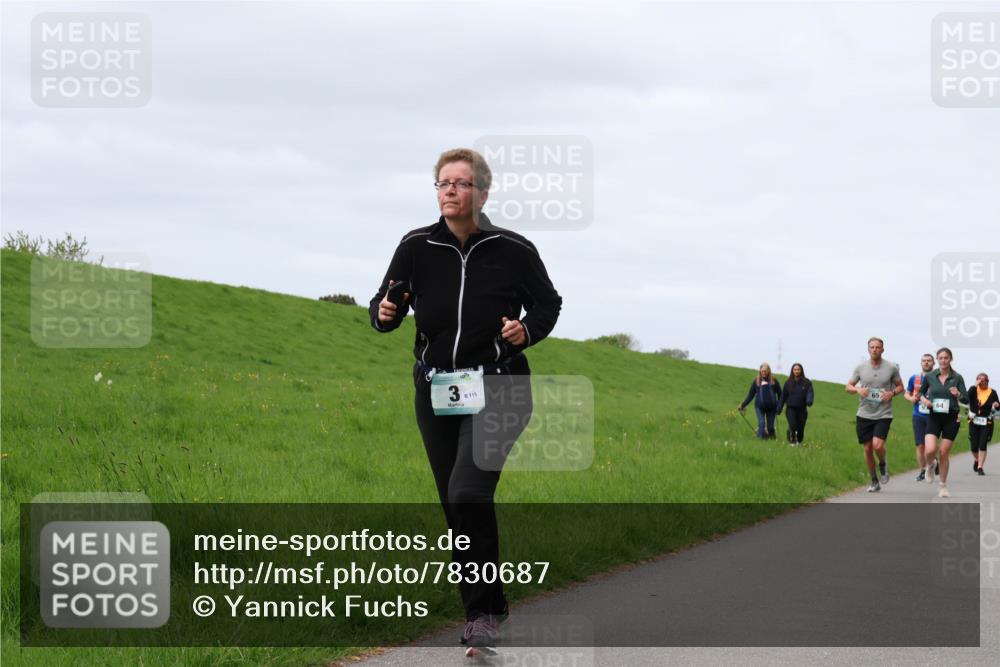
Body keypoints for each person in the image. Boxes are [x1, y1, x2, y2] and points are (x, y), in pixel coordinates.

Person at [368, 148, 562, 653]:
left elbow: (548, 303)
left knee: (468, 493)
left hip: (500, 388)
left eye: (460, 183)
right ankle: (491, 603)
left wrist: (526, 331)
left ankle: (480, 617)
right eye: (443, 183)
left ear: (483, 193)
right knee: (456, 507)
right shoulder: (416, 246)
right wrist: (385, 313)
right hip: (436, 391)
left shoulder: (513, 249)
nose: (450, 190)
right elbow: (385, 302)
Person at [846, 337, 904, 493]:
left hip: (884, 413)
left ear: (882, 349)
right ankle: (874, 480)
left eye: (877, 347)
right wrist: (858, 389)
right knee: (867, 449)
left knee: (877, 445)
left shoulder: (891, 368)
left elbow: (900, 387)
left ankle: (883, 464)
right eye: (872, 347)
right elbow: (848, 386)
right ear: (868, 349)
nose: (874, 349)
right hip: (864, 413)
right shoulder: (860, 368)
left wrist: (892, 393)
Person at [918, 347, 967, 498]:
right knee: (930, 450)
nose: (943, 360)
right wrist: (925, 400)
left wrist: (958, 394)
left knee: (944, 452)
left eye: (946, 358)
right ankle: (931, 465)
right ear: (937, 360)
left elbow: (966, 399)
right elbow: (920, 392)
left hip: (951, 418)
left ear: (951, 359)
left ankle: (943, 486)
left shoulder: (957, 377)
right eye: (941, 358)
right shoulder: (930, 376)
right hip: (934, 416)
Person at [904, 353, 936, 481]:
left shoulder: (939, 378)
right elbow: (907, 393)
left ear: (933, 363)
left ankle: (933, 461)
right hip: (918, 415)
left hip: (934, 416)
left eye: (929, 360)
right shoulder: (914, 378)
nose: (926, 362)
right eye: (924, 361)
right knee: (920, 445)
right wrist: (911, 398)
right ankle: (923, 470)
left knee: (931, 446)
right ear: (921, 363)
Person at [739, 363, 782, 439]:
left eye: (765, 371)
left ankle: (772, 440)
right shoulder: (756, 381)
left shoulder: (774, 380)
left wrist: (779, 405)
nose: (763, 373)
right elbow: (751, 395)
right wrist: (743, 405)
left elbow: (780, 394)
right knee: (761, 424)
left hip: (772, 408)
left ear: (768, 371)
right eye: (762, 371)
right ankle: (760, 440)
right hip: (759, 407)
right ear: (760, 371)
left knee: (770, 427)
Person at [967, 372, 998, 476]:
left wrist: (996, 404)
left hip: (986, 421)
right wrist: (975, 385)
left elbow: (998, 405)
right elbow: (967, 396)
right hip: (973, 421)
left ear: (987, 381)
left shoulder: (992, 392)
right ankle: (977, 460)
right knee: (974, 446)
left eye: (983, 380)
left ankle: (980, 467)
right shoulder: (973, 390)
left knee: (982, 444)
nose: (981, 382)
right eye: (979, 380)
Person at [777, 362, 813, 445]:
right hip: (790, 409)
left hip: (802, 409)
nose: (796, 371)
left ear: (801, 370)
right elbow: (783, 397)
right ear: (792, 371)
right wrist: (779, 408)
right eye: (795, 370)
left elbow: (810, 392)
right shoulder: (788, 383)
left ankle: (799, 441)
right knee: (793, 425)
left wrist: (809, 400)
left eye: (798, 369)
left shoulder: (807, 382)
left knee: (800, 428)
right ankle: (792, 441)